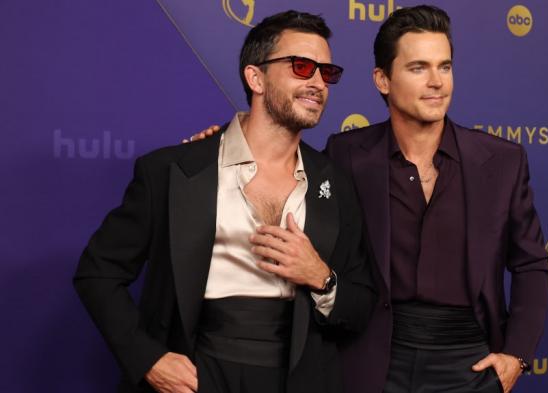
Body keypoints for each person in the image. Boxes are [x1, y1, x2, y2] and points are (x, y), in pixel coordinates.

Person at [193, 5, 548, 393]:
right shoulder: (346, 155)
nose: (437, 82)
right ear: (383, 80)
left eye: (444, 67)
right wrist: (216, 147)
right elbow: (279, 163)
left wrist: (516, 355)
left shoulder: (501, 161)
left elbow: (532, 264)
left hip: (471, 359)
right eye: (418, 68)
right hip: (372, 358)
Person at [74, 10, 376, 393]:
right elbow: (98, 273)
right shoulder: (172, 170)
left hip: (299, 376)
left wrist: (320, 277)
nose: (318, 82)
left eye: (327, 73)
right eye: (302, 67)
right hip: (198, 371)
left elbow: (362, 303)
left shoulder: (335, 182)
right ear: (256, 77)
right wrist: (148, 358)